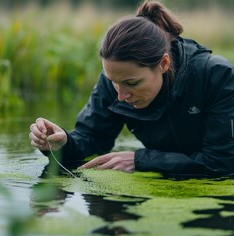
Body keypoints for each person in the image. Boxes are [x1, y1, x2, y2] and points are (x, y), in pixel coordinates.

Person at [29, 0, 234, 176]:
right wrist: (62, 143)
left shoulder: (217, 77)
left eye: (132, 83)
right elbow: (90, 139)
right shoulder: (117, 78)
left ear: (163, 64)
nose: (120, 95)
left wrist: (140, 160)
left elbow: (222, 164)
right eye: (113, 82)